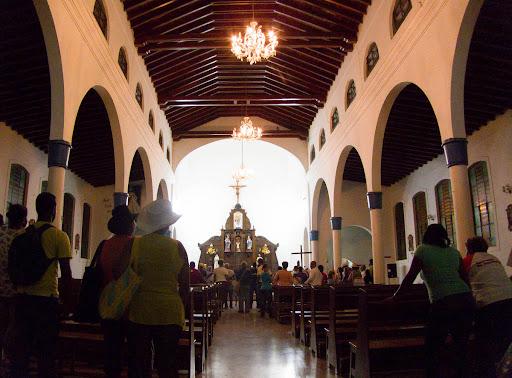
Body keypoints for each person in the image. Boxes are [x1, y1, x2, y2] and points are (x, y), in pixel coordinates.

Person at [386, 224, 474, 378]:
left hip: (444, 302)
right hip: (464, 299)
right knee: (461, 345)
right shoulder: (454, 252)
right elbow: (464, 278)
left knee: (432, 346)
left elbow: (410, 278)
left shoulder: (422, 250)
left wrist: (396, 297)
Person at [114, 199, 189, 377]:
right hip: (170, 311)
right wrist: (181, 308)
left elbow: (117, 271)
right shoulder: (178, 247)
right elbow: (185, 286)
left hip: (140, 309)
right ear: (168, 224)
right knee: (168, 364)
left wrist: (135, 278)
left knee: (139, 364)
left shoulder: (135, 243)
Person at [9, 192, 72, 377]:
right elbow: (66, 274)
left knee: (21, 353)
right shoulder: (59, 236)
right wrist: (66, 304)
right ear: (53, 210)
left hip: (22, 300)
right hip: (46, 302)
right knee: (46, 354)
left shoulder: (21, 234)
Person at [463, 236, 512, 377]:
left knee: (485, 345)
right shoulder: (494, 259)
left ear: (469, 248)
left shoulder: (467, 260)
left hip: (488, 304)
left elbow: (460, 282)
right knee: (504, 343)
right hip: (509, 300)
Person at [98, 205, 136, 378]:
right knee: (135, 354)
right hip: (130, 307)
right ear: (129, 225)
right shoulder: (134, 245)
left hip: (108, 303)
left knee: (111, 353)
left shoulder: (104, 245)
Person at [0, 204, 27, 367]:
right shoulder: (21, 237)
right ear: (23, 220)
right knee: (13, 327)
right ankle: (9, 359)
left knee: (2, 325)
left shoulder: (1, 233)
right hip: (15, 291)